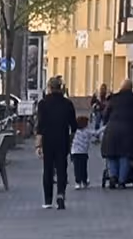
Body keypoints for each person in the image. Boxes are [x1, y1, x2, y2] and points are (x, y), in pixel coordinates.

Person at [36, 76, 78, 209]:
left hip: (48, 140)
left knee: (47, 169)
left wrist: (38, 144)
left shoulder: (43, 104)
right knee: (61, 168)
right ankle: (60, 194)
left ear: (49, 87)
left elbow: (40, 126)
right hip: (62, 139)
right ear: (61, 88)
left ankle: (48, 200)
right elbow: (74, 125)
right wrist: (70, 139)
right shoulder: (67, 104)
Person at [102, 82, 133, 187]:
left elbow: (105, 115)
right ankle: (121, 181)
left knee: (112, 155)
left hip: (112, 130)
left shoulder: (113, 99)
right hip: (129, 130)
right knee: (125, 155)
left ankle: (113, 177)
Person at [70, 115, 95, 189]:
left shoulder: (75, 132)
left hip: (75, 152)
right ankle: (84, 181)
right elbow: (96, 133)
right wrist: (104, 128)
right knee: (83, 168)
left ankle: (78, 182)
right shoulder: (87, 131)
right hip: (83, 152)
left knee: (77, 168)